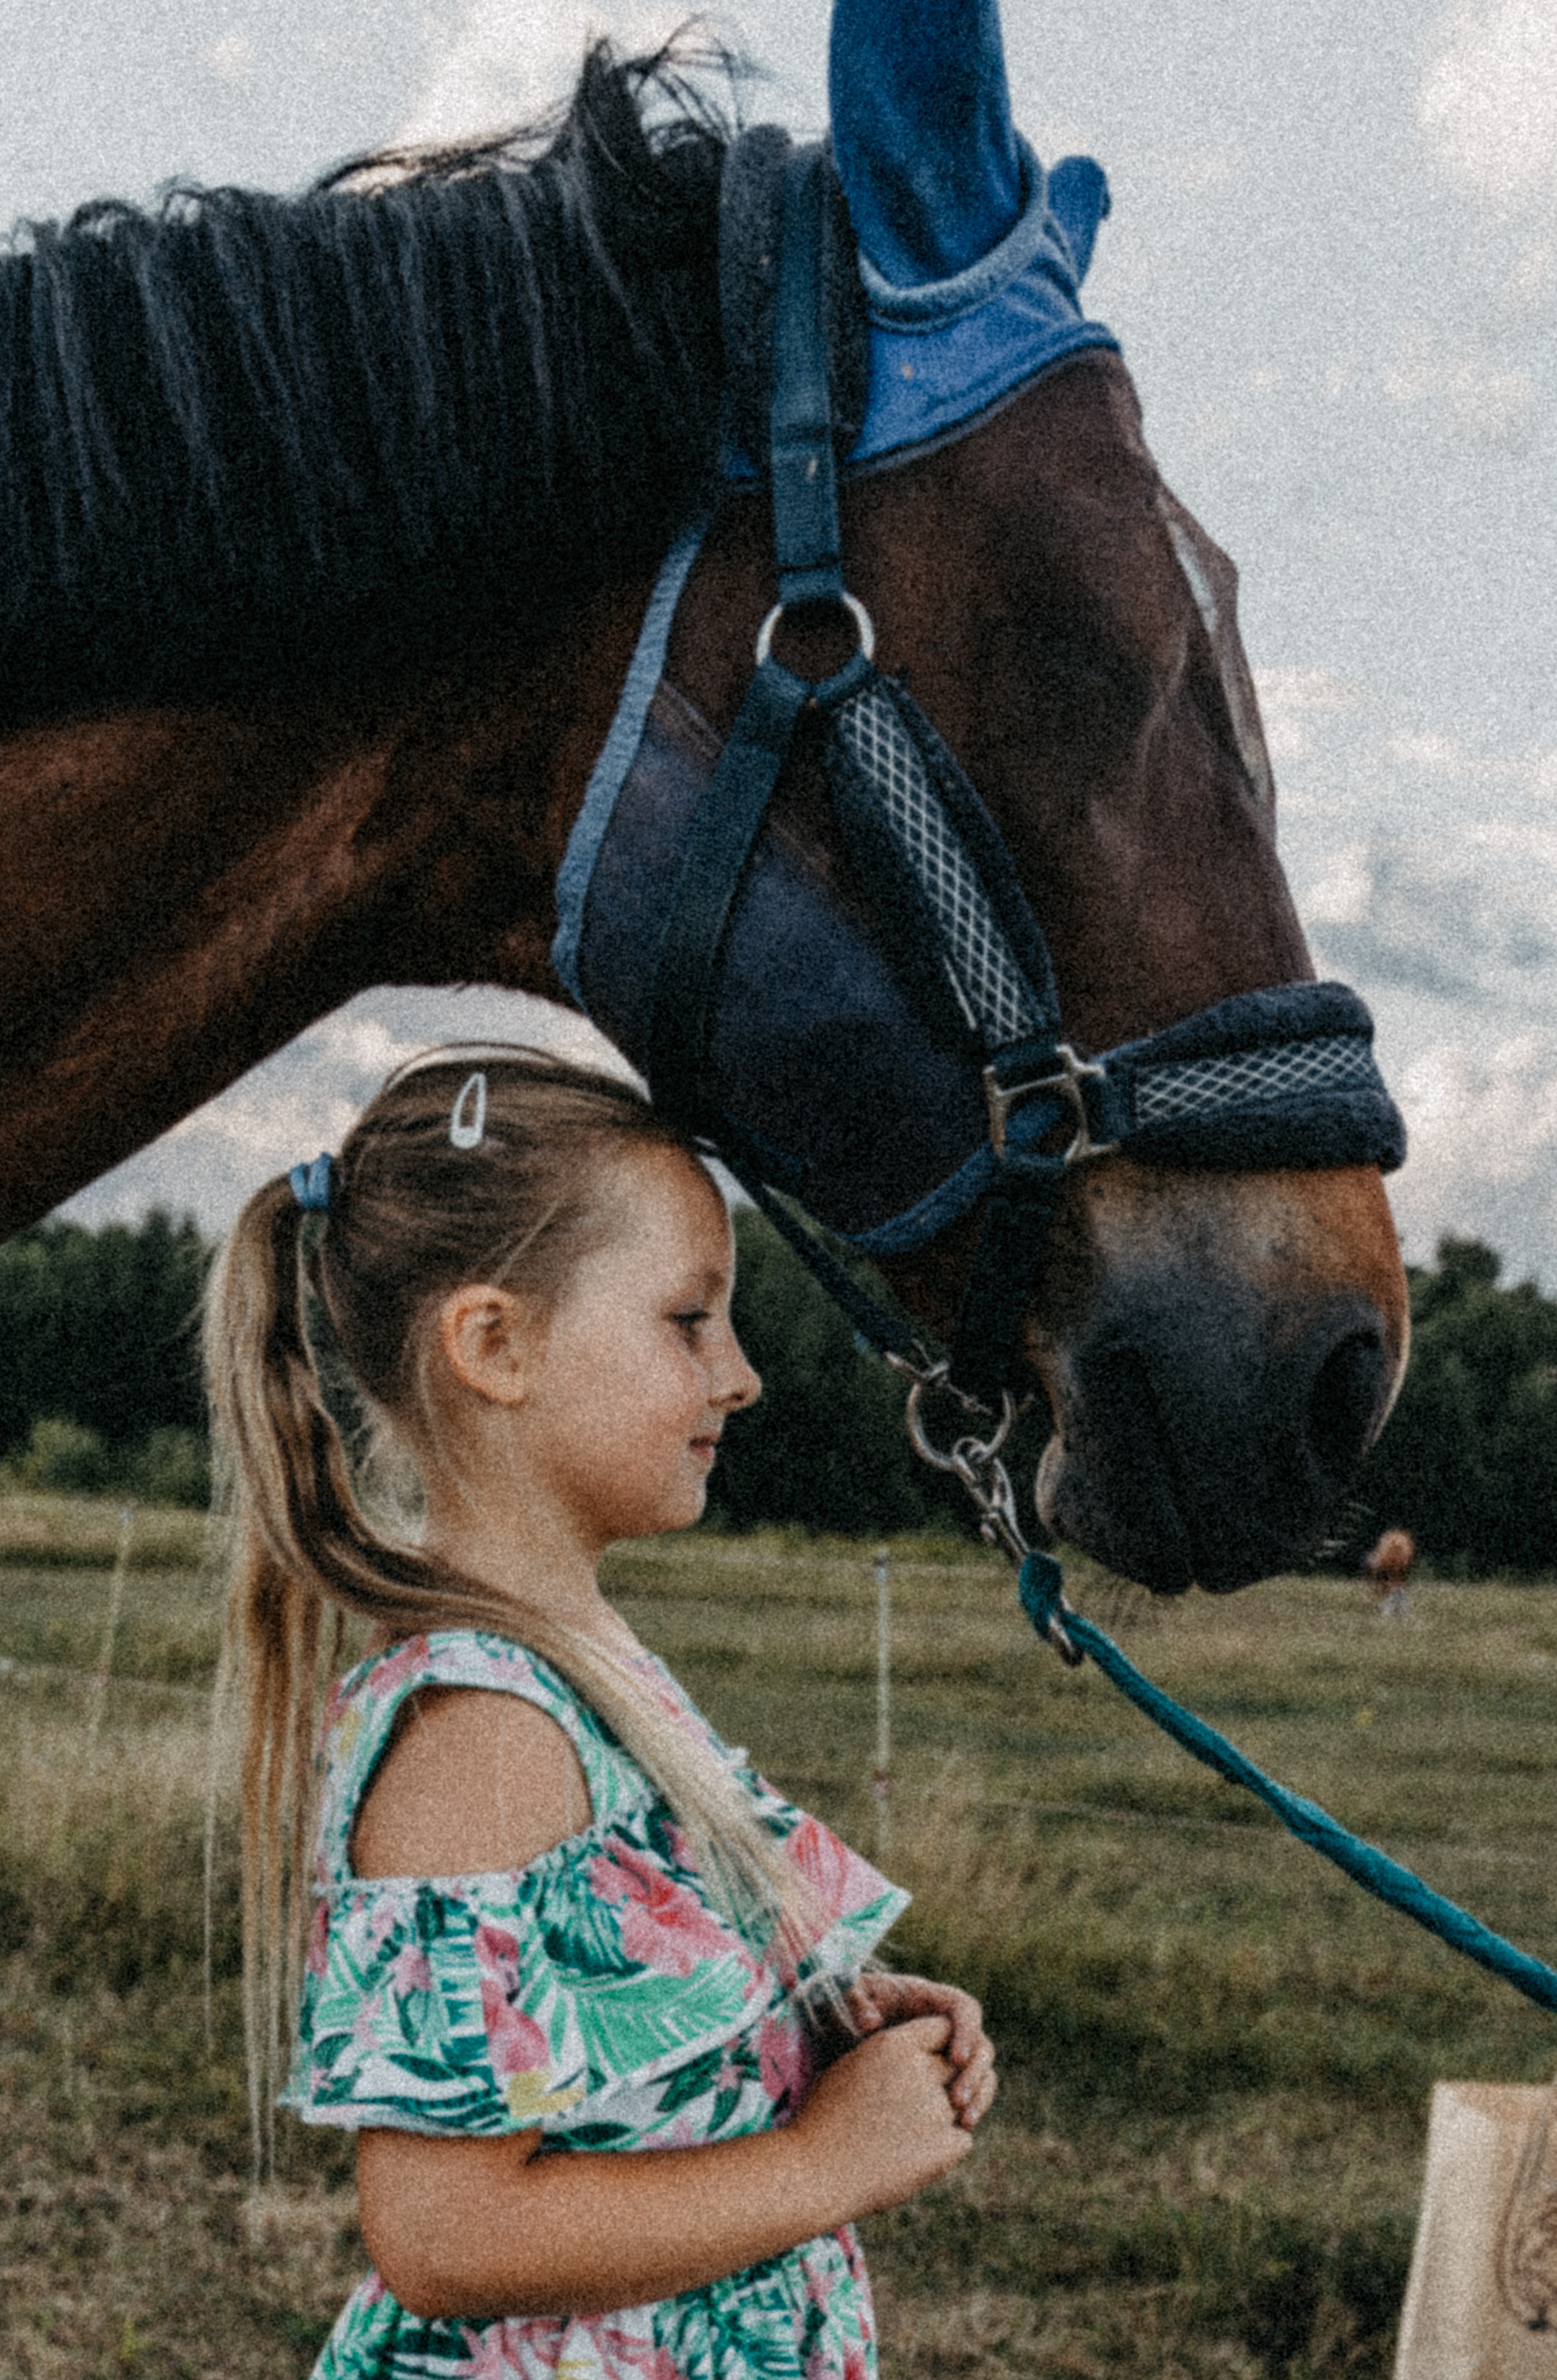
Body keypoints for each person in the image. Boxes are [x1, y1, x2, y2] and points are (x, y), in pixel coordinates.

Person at [203, 1044, 996, 2379]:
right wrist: (825, 2158)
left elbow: (592, 2044)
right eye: (689, 1320)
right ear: (494, 1344)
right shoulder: (484, 1732)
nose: (739, 1374)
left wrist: (800, 2026)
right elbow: (445, 2231)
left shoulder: (577, 1665)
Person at [1364, 1527, 1415, 1619]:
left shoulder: (1390, 1549)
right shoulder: (1396, 1547)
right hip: (1389, 1567)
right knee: (1397, 1587)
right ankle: (1399, 1609)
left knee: (1395, 1588)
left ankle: (1394, 1609)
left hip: (1387, 1567)